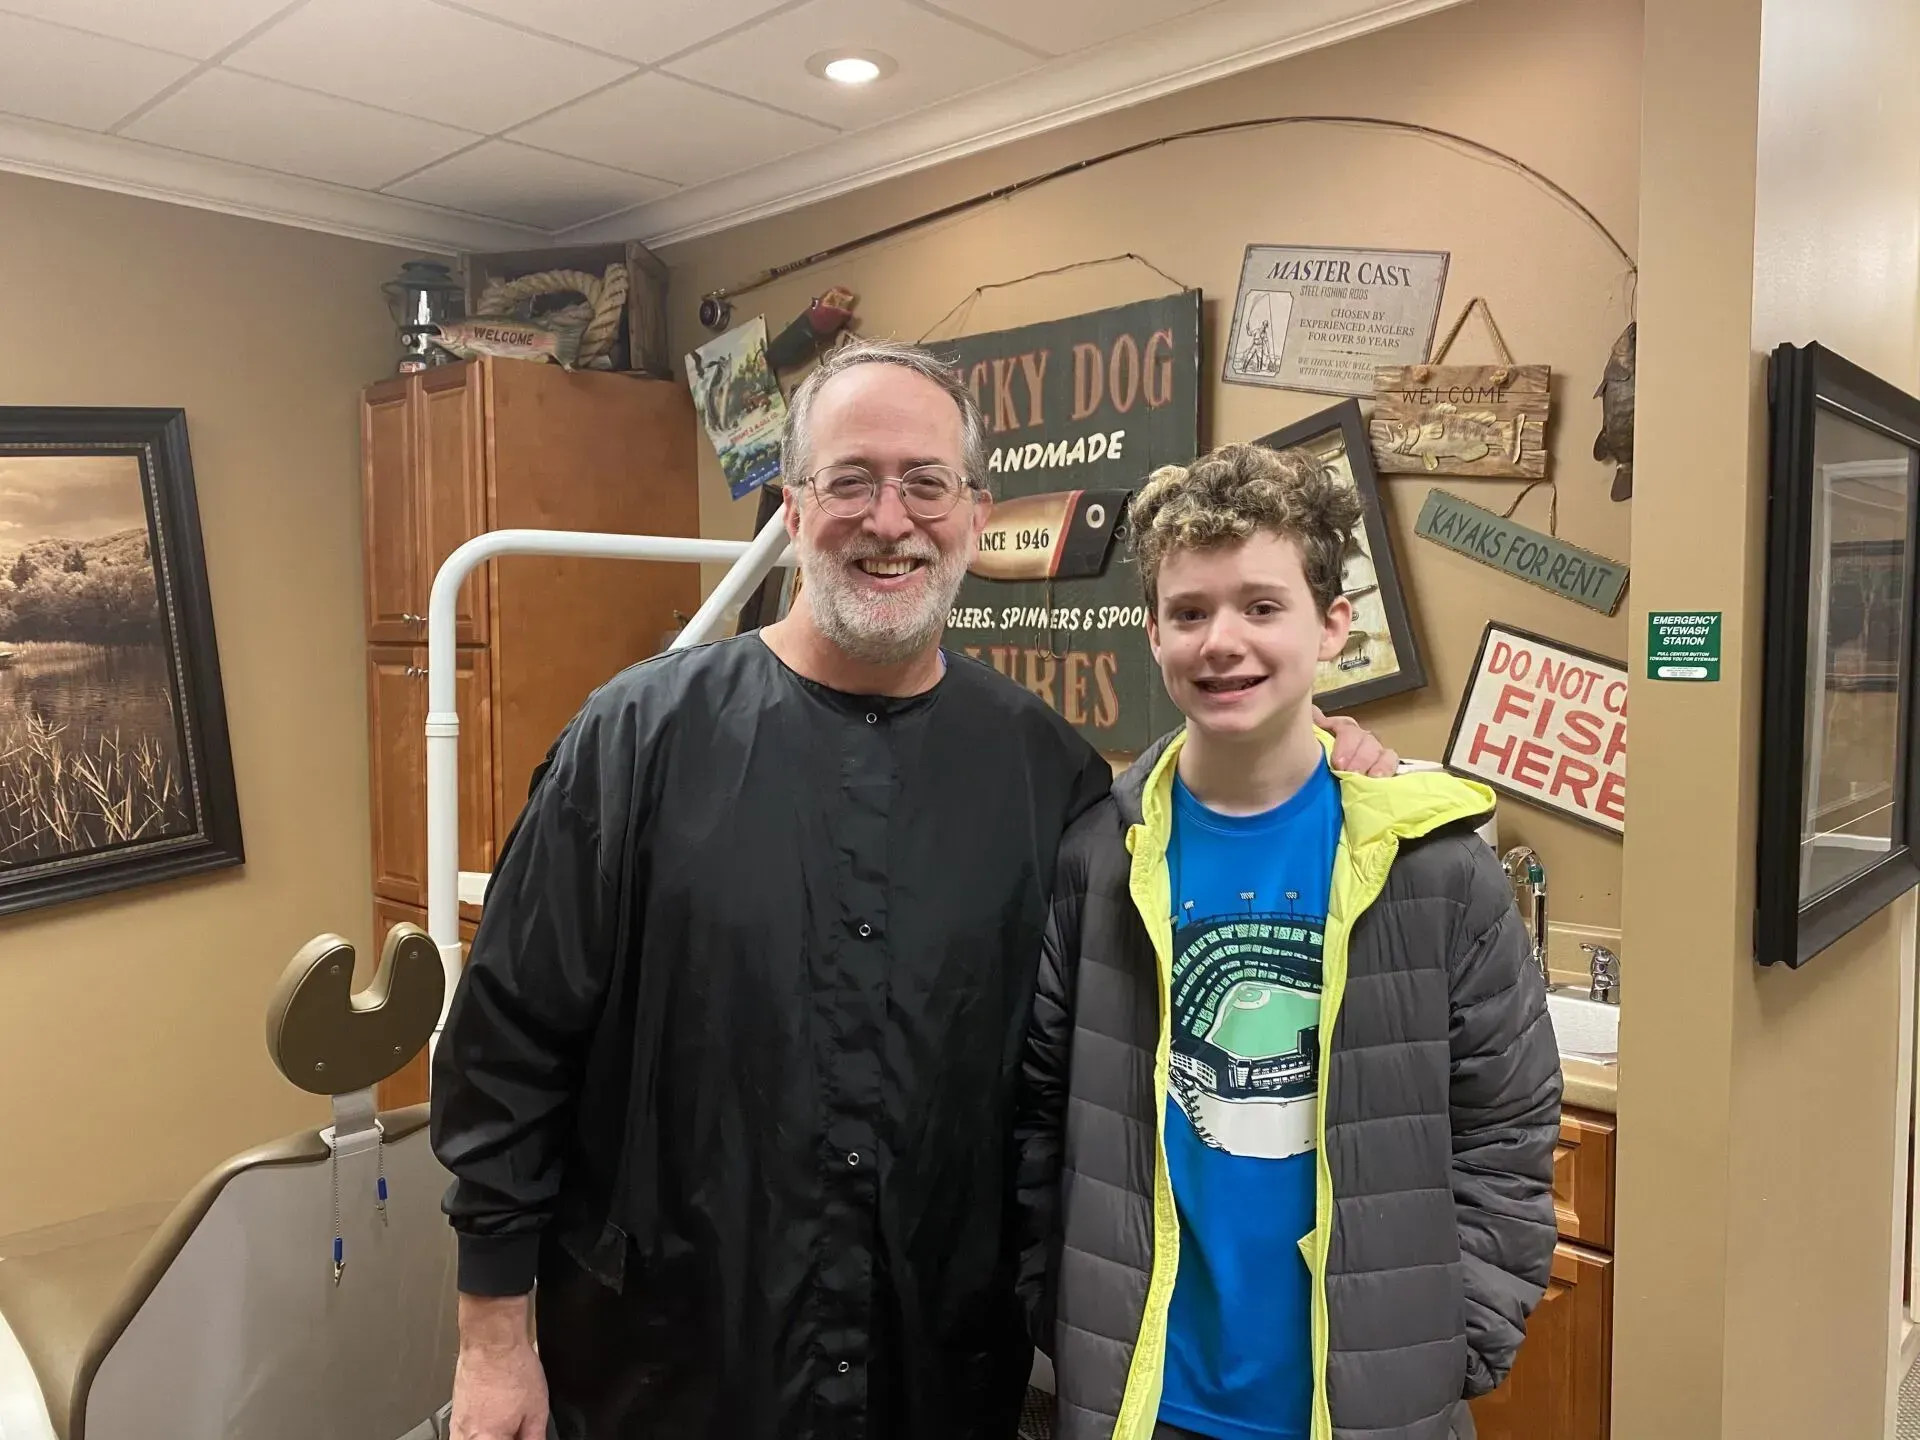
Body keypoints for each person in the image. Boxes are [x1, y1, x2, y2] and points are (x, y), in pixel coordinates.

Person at [429, 338, 1397, 1440]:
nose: (890, 521)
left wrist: (1315, 753)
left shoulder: (1051, 778)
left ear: (975, 518)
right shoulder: (638, 742)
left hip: (939, 1372)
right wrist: (493, 1342)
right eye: (850, 481)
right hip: (671, 1368)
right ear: (792, 511)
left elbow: (1170, 940)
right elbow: (508, 1052)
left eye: (925, 484)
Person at [1015, 443, 1562, 1440]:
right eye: (1190, 612)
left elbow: (1508, 1132)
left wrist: (1457, 1334)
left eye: (1262, 606)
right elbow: (1041, 1115)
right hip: (1144, 1396)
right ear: (1153, 634)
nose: (1223, 640)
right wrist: (1056, 1312)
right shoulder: (1102, 855)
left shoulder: (1436, 870)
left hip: (1365, 1402)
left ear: (1332, 625)